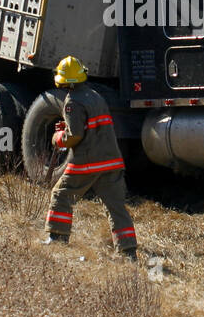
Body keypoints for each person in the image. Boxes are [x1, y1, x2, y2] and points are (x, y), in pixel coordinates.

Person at [42, 56, 137, 259]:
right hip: (111, 160)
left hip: (88, 161)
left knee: (61, 194)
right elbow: (92, 127)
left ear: (64, 80)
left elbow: (75, 135)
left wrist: (58, 138)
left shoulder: (72, 102)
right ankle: (128, 251)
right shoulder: (95, 95)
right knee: (115, 206)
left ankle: (57, 238)